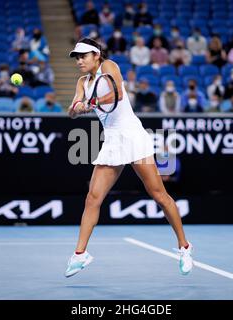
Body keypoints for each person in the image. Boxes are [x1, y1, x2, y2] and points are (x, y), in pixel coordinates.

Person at [66, 38, 193, 277]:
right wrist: (76, 108)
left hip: (133, 136)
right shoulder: (83, 82)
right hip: (113, 140)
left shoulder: (109, 66)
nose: (80, 61)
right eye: (77, 57)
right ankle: (80, 255)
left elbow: (116, 94)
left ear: (97, 55)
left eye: (83, 56)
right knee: (92, 198)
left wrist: (90, 103)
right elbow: (72, 111)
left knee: (159, 195)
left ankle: (184, 247)